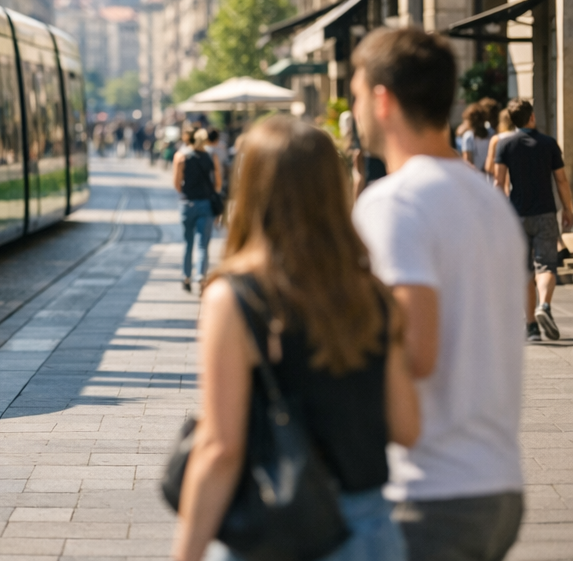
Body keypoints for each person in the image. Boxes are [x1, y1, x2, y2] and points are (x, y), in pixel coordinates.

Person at [170, 115, 419, 561]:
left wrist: (185, 553)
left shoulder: (236, 298)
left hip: (274, 530)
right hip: (369, 528)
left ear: (252, 191)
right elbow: (407, 426)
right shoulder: (374, 293)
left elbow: (221, 449)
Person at [350, 28, 525, 561]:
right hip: (496, 482)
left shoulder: (394, 203)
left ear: (382, 100)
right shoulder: (487, 198)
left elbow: (416, 352)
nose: (353, 110)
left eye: (356, 95)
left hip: (428, 492)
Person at [491, 97, 573, 342]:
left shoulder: (505, 145)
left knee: (525, 270)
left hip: (517, 214)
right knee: (546, 265)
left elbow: (499, 182)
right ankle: (544, 307)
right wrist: (568, 208)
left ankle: (532, 327)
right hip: (546, 213)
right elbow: (561, 180)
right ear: (532, 117)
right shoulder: (548, 144)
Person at [173, 128, 221, 293]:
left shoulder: (181, 157)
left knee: (188, 242)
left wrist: (187, 192)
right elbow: (218, 183)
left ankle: (186, 276)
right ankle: (200, 276)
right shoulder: (211, 156)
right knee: (203, 244)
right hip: (206, 204)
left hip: (187, 204)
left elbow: (177, 184)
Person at [459, 101, 494, 176]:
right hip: (490, 177)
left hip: (476, 177)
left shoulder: (468, 136)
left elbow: (468, 162)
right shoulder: (491, 132)